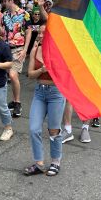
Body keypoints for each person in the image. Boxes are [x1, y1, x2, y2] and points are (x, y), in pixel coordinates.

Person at [23, 24, 65, 176]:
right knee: (34, 129)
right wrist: (41, 70)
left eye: (43, 33)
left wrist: (54, 69)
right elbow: (30, 74)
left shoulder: (61, 52)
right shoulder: (35, 50)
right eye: (39, 33)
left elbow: (67, 77)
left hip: (56, 93)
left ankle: (55, 162)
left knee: (53, 130)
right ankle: (39, 163)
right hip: (40, 92)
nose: (40, 36)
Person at [2, 0, 31, 117]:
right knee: (11, 76)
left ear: (11, 1)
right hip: (6, 49)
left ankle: (18, 103)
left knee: (13, 75)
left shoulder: (25, 14)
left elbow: (29, 32)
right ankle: (14, 101)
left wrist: (25, 50)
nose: (4, 3)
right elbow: (2, 32)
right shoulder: (5, 15)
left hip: (18, 49)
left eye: (5, 1)